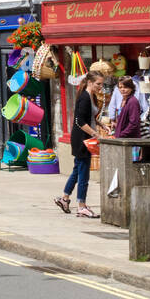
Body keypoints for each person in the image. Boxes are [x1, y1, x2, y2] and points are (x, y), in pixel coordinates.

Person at [55, 70, 104, 218]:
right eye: (98, 84)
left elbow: (89, 117)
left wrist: (101, 124)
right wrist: (95, 134)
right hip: (83, 140)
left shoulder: (90, 96)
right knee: (84, 174)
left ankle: (64, 199)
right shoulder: (84, 97)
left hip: (83, 138)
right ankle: (81, 206)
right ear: (89, 82)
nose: (100, 87)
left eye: (101, 84)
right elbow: (79, 121)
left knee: (77, 170)